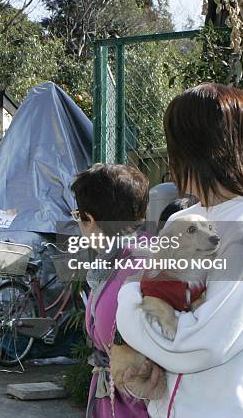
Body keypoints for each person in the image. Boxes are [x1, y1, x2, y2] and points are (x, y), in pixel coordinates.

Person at [115, 83, 243, 417]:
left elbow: (200, 343)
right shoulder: (187, 219)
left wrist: (126, 305)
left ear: (189, 148)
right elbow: (158, 303)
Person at [71, 163, 159, 418]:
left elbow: (112, 334)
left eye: (78, 215)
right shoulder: (131, 255)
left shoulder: (131, 267)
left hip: (132, 404)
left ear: (90, 219)